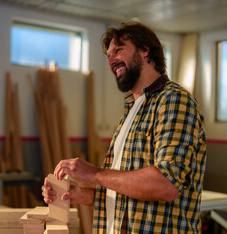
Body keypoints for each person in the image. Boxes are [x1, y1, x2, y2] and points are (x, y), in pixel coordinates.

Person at [42, 22, 206, 233]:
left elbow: (166, 185)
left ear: (145, 51)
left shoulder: (174, 101)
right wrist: (81, 194)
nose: (111, 60)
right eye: (108, 55)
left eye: (118, 50)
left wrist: (95, 174)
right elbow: (129, 193)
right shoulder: (132, 111)